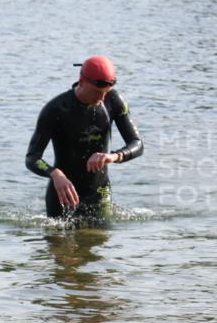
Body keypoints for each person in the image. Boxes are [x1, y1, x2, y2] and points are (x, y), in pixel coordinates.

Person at [26, 55, 143, 222]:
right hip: (63, 194)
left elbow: (137, 143)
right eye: (97, 92)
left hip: (100, 193)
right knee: (58, 238)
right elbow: (32, 158)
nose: (101, 99)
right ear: (81, 82)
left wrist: (113, 156)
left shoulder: (113, 100)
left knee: (100, 237)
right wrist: (55, 174)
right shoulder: (56, 109)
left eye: (105, 93)